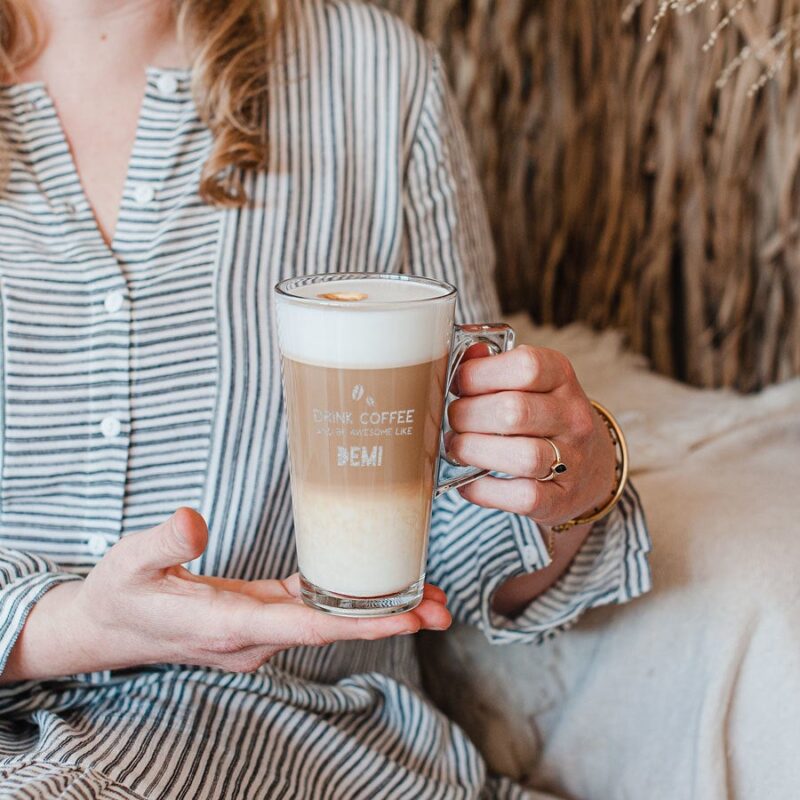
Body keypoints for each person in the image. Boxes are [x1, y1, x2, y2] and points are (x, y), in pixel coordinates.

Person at [0, 0, 651, 797]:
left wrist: (563, 489)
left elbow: (462, 546)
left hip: (289, 743)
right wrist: (74, 627)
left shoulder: (375, 75)